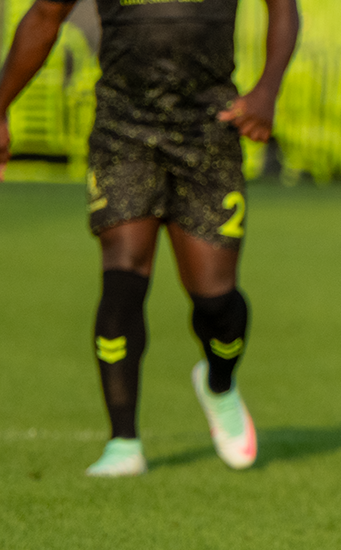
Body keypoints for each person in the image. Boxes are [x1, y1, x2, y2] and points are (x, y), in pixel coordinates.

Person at [0, 0, 301, 476]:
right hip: (125, 131)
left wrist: (267, 91)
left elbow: (283, 6)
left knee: (215, 303)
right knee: (122, 279)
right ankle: (124, 442)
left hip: (208, 128)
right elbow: (43, 18)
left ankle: (219, 384)